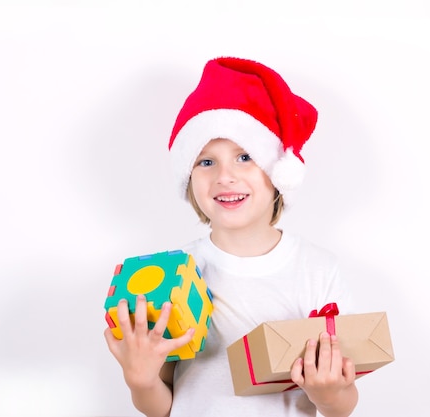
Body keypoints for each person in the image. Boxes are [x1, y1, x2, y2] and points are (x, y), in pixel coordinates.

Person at [104, 56, 359, 417]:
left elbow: (344, 404)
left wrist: (329, 394)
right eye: (206, 162)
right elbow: (160, 407)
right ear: (189, 179)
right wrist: (141, 381)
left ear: (277, 173)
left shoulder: (317, 270)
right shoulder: (172, 272)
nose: (225, 176)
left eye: (244, 157)